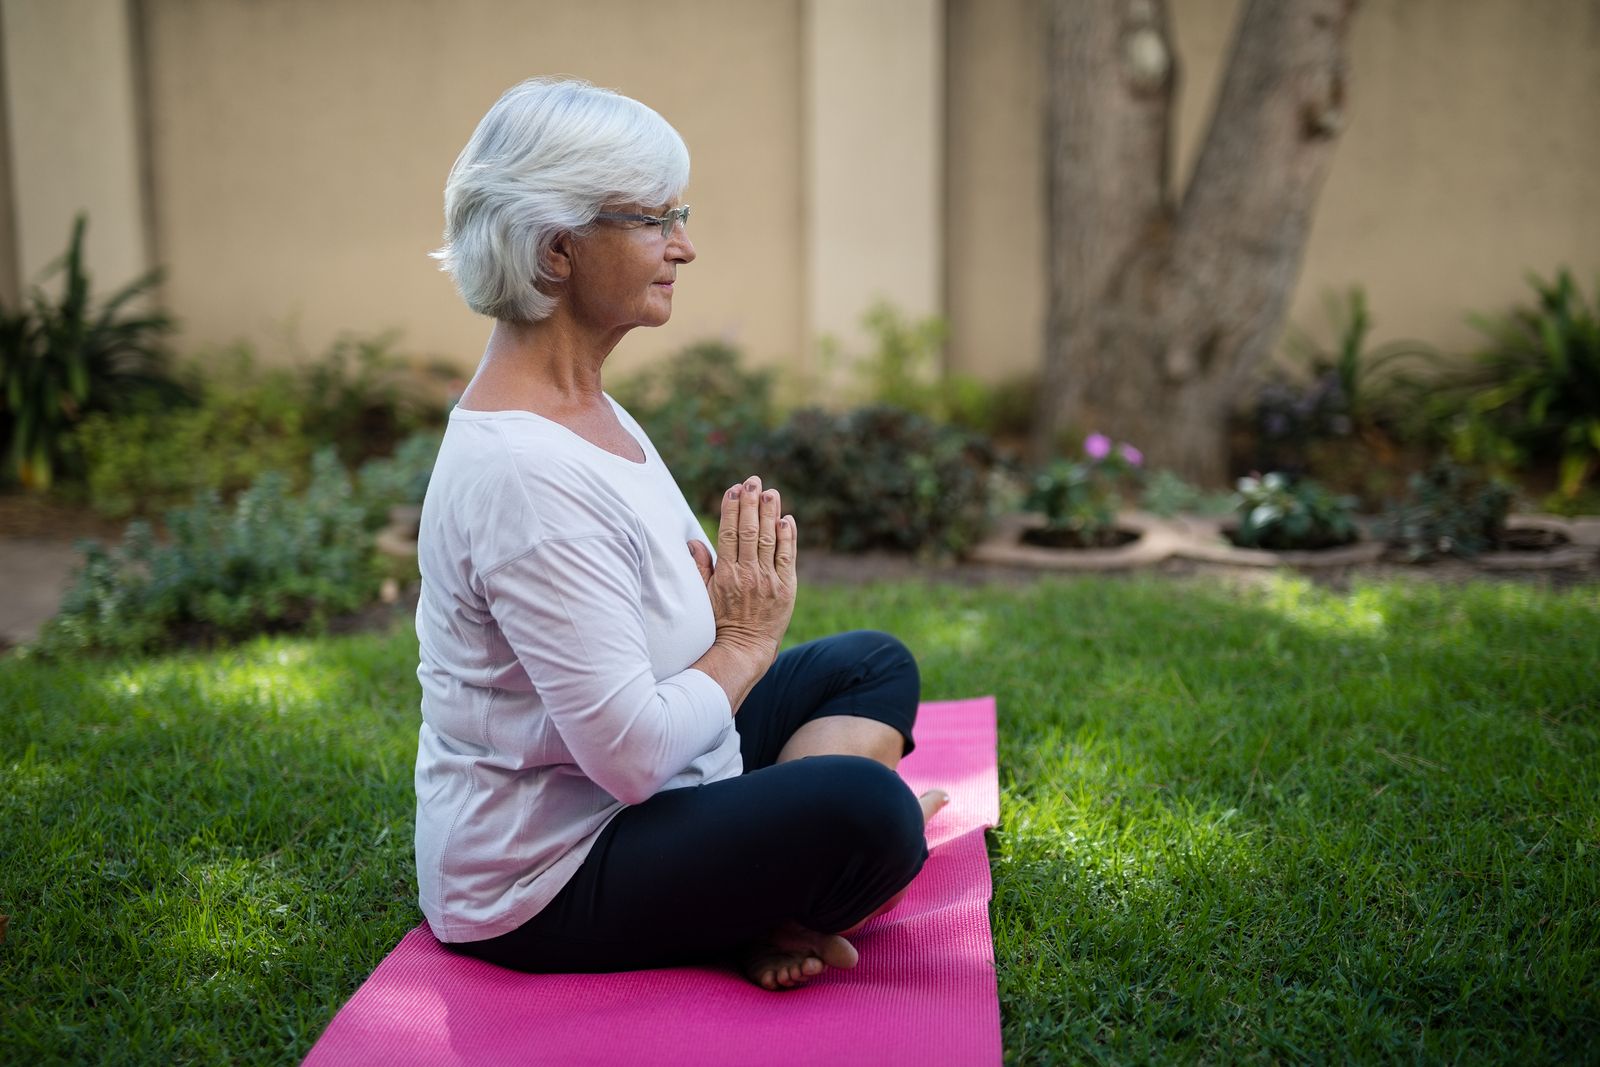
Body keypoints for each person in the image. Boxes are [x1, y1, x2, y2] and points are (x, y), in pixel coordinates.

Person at [413, 78, 945, 991]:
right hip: (552, 871)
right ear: (555, 252)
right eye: (656, 220)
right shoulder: (522, 473)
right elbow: (627, 756)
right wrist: (740, 641)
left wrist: (702, 620)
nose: (684, 246)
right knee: (871, 812)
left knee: (872, 663)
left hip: (669, 775)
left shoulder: (588, 405)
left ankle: (767, 893)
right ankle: (777, 890)